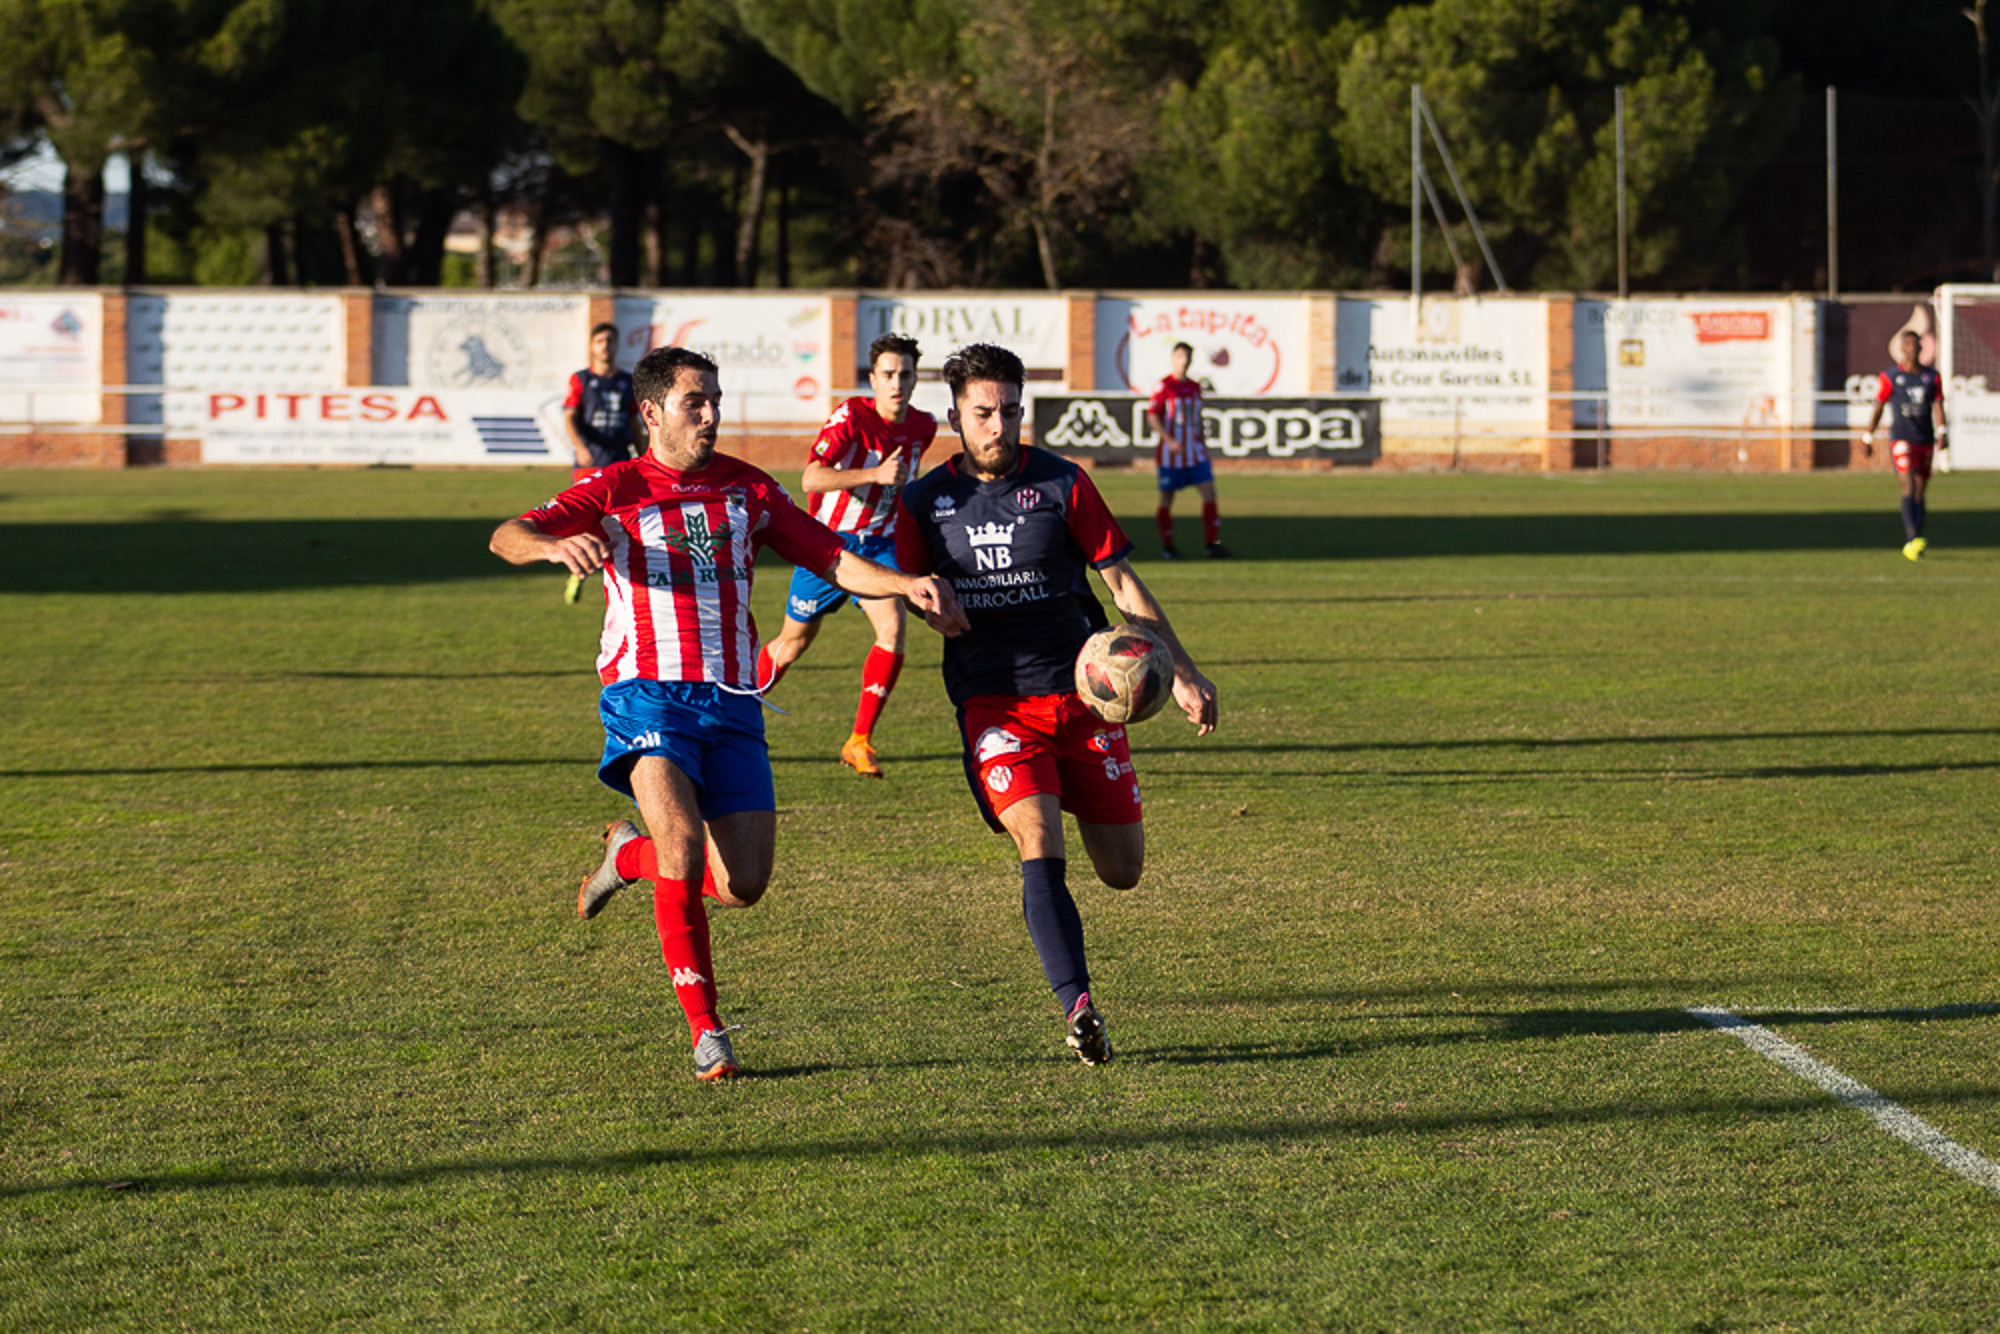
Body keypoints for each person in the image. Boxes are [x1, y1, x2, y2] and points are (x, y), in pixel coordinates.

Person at [489, 346, 967, 1081]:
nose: (711, 414)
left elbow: (828, 555)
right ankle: (706, 1031)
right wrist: (555, 548)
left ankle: (625, 857)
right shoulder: (614, 486)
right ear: (651, 413)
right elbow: (507, 535)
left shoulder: (747, 489)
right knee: (682, 849)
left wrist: (904, 585)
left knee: (742, 884)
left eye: (715, 398)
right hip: (647, 695)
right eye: (694, 403)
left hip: (734, 703)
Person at [895, 342, 1219, 1066]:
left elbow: (1122, 585)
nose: (999, 426)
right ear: (956, 416)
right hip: (995, 706)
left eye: (1011, 411)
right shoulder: (924, 501)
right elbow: (910, 584)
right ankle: (1078, 1007)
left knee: (1122, 871)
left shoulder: (1063, 483)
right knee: (1040, 846)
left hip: (1083, 702)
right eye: (984, 413)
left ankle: (1059, 784)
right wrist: (929, 607)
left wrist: (1187, 671)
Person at [755, 333, 939, 778]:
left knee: (892, 631)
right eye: (889, 374)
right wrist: (875, 473)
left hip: (878, 548)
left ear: (915, 381)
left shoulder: (923, 426)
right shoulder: (851, 415)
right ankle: (734, 711)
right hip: (826, 547)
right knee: (792, 644)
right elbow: (810, 479)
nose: (897, 383)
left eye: (906, 375)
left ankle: (859, 740)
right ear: (873, 379)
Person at [560, 322, 644, 603]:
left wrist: (645, 456)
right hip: (590, 462)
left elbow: (634, 423)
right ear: (592, 346)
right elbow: (570, 418)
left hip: (619, 461)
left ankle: (627, 577)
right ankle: (578, 572)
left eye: (610, 340)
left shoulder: (627, 382)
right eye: (600, 341)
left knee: (624, 522)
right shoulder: (581, 380)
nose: (605, 346)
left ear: (617, 345)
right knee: (585, 522)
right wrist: (580, 446)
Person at [1862, 330, 1947, 560]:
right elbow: (1879, 406)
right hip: (1901, 438)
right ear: (1901, 348)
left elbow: (1938, 405)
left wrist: (1942, 431)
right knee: (1908, 484)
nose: (1911, 347)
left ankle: (1917, 537)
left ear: (1921, 348)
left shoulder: (1932, 376)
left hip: (1925, 439)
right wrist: (1868, 436)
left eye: (1915, 344)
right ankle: (1911, 538)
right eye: (1907, 344)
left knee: (1920, 490)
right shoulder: (1890, 376)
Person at [1145, 341, 1228, 560]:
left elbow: (1198, 417)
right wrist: (1168, 440)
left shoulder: (1194, 386)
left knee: (1210, 493)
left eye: (1188, 357)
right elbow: (1152, 415)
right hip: (1171, 455)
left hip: (1195, 452)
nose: (1185, 361)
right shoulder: (1163, 386)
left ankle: (1212, 544)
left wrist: (1204, 444)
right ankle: (1168, 548)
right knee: (1167, 499)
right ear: (1174, 358)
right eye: (1181, 356)